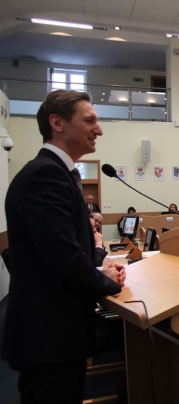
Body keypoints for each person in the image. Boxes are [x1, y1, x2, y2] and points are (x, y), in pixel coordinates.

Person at [2, 90, 126, 403]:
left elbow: (61, 251)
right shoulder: (45, 175)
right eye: (90, 121)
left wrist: (98, 270)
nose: (99, 129)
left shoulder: (57, 173)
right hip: (48, 336)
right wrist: (106, 281)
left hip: (54, 333)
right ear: (57, 123)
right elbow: (62, 259)